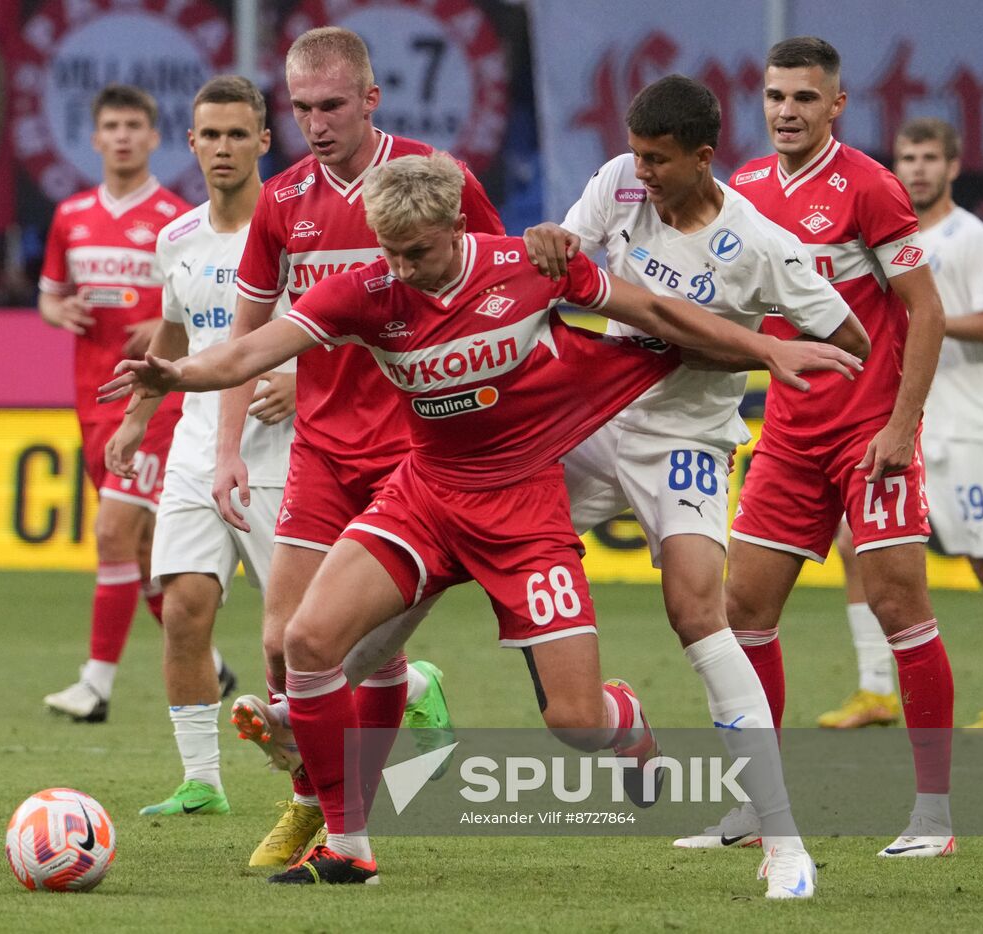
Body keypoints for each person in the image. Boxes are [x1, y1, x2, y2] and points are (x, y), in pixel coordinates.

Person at [100, 153, 860, 889]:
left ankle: (622, 720)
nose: (400, 267)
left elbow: (656, 313)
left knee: (573, 720)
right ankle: (349, 844)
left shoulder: (526, 269)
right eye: (389, 252)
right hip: (424, 497)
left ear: (457, 225)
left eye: (417, 251)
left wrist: (766, 347)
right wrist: (179, 376)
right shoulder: (366, 288)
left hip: (523, 511)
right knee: (305, 639)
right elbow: (254, 347)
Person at [523, 75, 869, 879]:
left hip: (686, 439)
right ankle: (395, 690)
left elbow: (848, 339)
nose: (640, 172)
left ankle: (782, 843)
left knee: (695, 614)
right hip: (595, 420)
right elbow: (566, 256)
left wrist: (725, 349)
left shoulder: (762, 245)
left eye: (658, 159)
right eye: (636, 153)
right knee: (476, 532)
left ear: (704, 157)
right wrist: (549, 241)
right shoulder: (616, 182)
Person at [216, 27, 501, 868]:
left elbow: (498, 290)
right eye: (301, 108)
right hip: (323, 449)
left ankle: (330, 816)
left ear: (370, 100)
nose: (316, 122)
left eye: (332, 105)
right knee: (280, 645)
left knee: (340, 648)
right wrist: (228, 449)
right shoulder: (282, 201)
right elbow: (248, 331)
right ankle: (381, 728)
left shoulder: (433, 182)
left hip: (415, 451)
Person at [716, 37, 955, 859]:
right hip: (786, 434)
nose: (786, 111)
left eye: (804, 99)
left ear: (837, 106)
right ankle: (759, 808)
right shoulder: (743, 188)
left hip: (869, 434)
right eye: (776, 96)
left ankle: (934, 815)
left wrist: (899, 424)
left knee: (900, 610)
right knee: (742, 611)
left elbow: (924, 310)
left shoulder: (870, 188)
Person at [103, 76, 296, 817]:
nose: (222, 148)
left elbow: (352, 325)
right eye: (209, 135)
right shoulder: (176, 237)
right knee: (183, 606)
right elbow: (174, 340)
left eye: (236, 135)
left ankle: (400, 694)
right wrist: (135, 420)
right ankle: (201, 781)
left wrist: (305, 385)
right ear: (190, 143)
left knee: (294, 637)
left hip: (280, 445)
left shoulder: (295, 229)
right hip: (194, 443)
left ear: (262, 142)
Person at [36, 85, 214, 722]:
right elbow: (50, 296)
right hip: (89, 399)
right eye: (110, 125)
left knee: (112, 531)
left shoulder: (178, 220)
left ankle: (95, 685)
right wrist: (63, 311)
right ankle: (208, 661)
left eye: (133, 125)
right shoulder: (70, 216)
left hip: (152, 402)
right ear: (94, 137)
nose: (121, 136)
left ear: (152, 137)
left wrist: (167, 329)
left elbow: (204, 311)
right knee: (140, 553)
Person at [821, 118, 983, 732]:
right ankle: (874, 691)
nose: (917, 168)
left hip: (969, 428)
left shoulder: (970, 238)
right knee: (851, 545)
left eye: (929, 158)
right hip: (903, 422)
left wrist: (928, 318)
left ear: (952, 167)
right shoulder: (882, 238)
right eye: (906, 157)